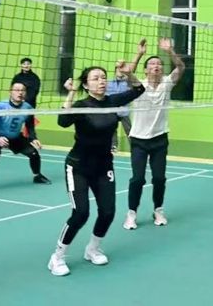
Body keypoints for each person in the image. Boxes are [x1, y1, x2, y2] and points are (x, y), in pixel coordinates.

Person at [47, 62, 144, 277]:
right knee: (81, 213)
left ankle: (92, 249)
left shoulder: (113, 101)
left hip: (103, 166)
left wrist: (129, 73)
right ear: (86, 85)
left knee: (108, 212)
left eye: (103, 77)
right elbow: (63, 121)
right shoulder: (82, 105)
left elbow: (139, 89)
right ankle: (57, 257)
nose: (101, 81)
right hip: (78, 167)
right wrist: (71, 93)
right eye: (95, 78)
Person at [122, 37, 185, 230]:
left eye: (159, 64)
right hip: (139, 140)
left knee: (159, 178)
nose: (156, 66)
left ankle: (158, 210)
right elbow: (128, 73)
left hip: (159, 139)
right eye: (151, 64)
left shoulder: (167, 83)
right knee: (138, 179)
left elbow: (181, 67)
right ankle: (131, 213)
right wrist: (139, 54)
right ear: (146, 70)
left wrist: (170, 51)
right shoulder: (139, 86)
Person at [0, 82, 51, 194]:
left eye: (22, 90)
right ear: (10, 92)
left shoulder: (28, 108)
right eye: (17, 90)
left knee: (34, 154)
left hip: (15, 137)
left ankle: (37, 176)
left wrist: (33, 138)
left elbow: (29, 126)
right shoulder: (0, 106)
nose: (20, 93)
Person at [106, 56, 138, 151]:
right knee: (111, 129)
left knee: (129, 130)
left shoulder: (127, 82)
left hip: (124, 111)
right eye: (118, 69)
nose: (120, 71)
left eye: (121, 69)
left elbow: (132, 71)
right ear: (115, 71)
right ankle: (113, 146)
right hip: (113, 111)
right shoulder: (109, 83)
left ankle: (134, 147)